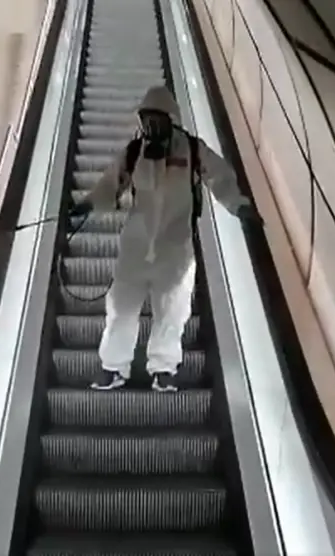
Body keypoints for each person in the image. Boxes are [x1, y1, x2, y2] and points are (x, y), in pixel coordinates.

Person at [70, 86, 262, 393]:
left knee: (172, 310)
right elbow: (110, 184)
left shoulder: (193, 150)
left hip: (175, 248)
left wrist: (240, 207)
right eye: (146, 120)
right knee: (120, 307)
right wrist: (88, 205)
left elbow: (220, 178)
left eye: (156, 120)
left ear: (171, 119)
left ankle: (163, 368)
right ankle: (113, 367)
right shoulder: (134, 152)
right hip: (135, 247)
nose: (151, 127)